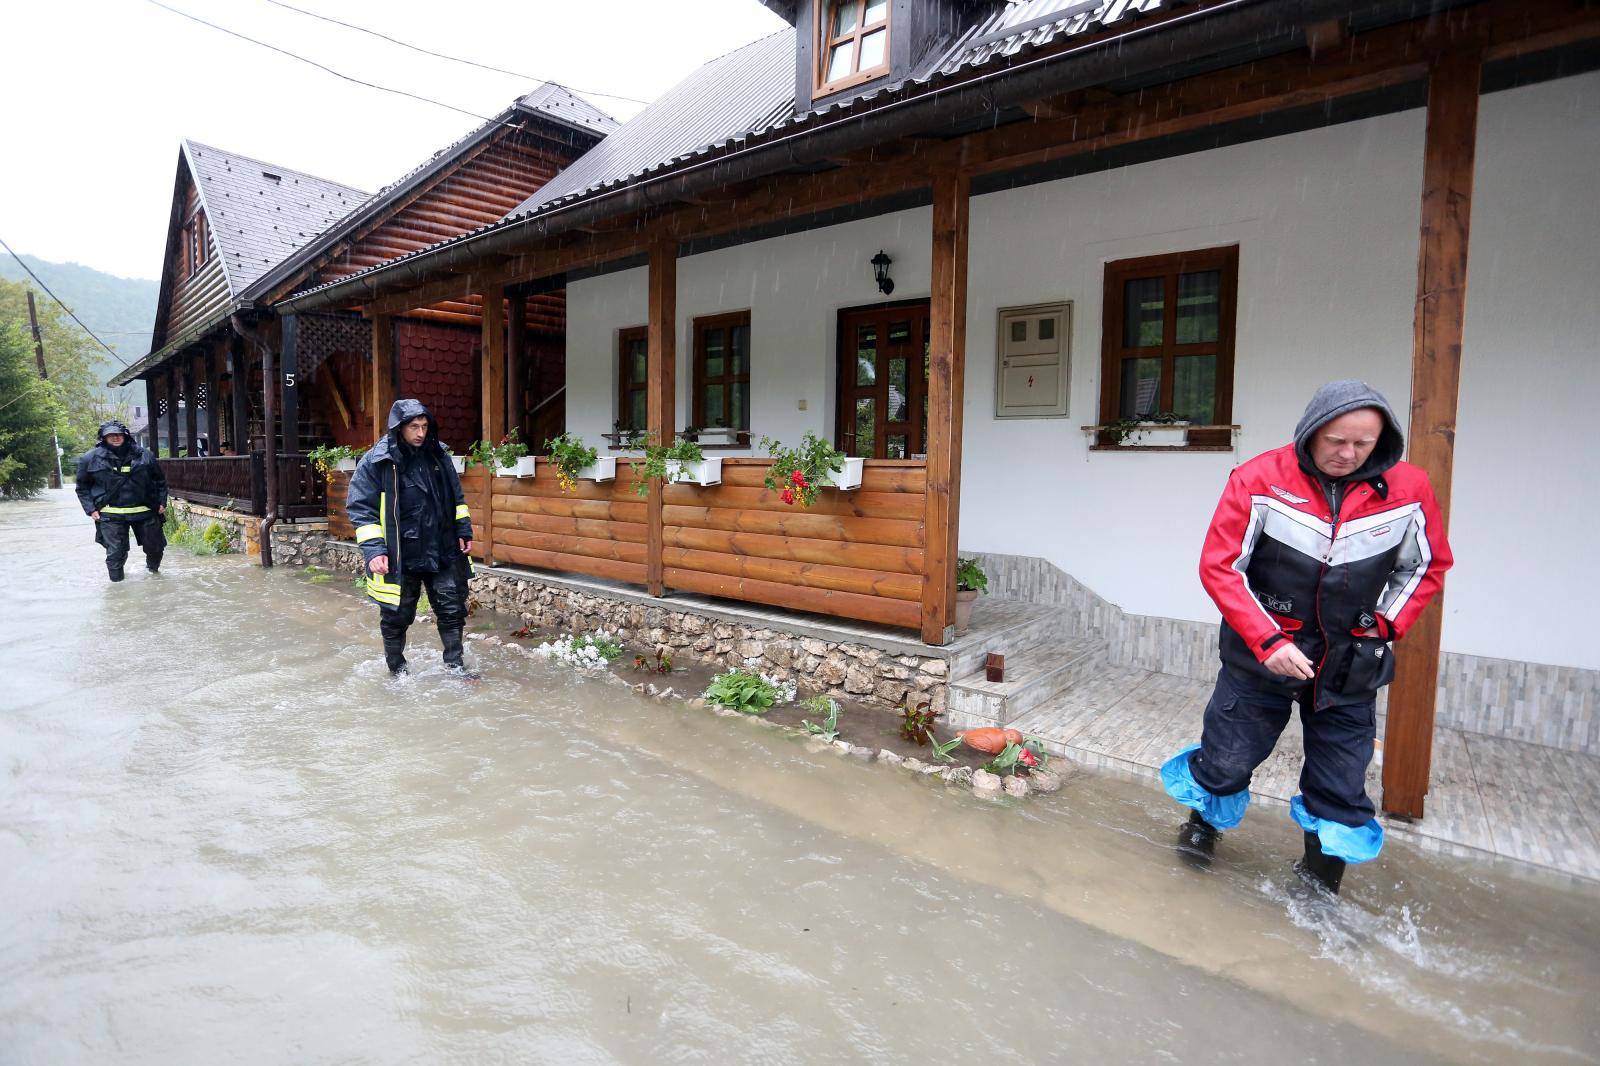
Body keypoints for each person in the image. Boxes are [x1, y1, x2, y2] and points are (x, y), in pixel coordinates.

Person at [1160, 381, 1453, 894]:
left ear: (1381, 440)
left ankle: (1320, 881)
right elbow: (1221, 566)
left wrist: (1381, 628)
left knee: (1341, 781)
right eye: (1336, 440)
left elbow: (1426, 566)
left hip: (1349, 663)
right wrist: (1267, 640)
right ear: (1312, 431)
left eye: (1362, 444)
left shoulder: (1409, 489)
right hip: (1262, 656)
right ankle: (1201, 828)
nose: (1347, 453)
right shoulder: (1260, 479)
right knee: (1227, 756)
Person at [346, 399, 475, 676]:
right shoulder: (376, 461)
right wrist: (374, 550)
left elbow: (456, 496)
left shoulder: (438, 455)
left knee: (451, 609)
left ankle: (455, 668)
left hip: (441, 547)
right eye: (414, 427)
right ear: (399, 428)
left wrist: (463, 528)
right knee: (396, 616)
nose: (420, 433)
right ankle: (398, 672)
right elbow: (360, 508)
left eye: (425, 426)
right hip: (399, 554)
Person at [75, 419, 168, 582]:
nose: (115, 438)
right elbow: (82, 487)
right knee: (115, 553)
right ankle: (117, 588)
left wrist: (162, 502)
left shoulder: (144, 455)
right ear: (103, 438)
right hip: (111, 514)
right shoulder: (89, 459)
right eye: (111, 435)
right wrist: (91, 509)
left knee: (155, 548)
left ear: (125, 436)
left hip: (146, 511)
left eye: (118, 434)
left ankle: (153, 575)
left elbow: (159, 480)